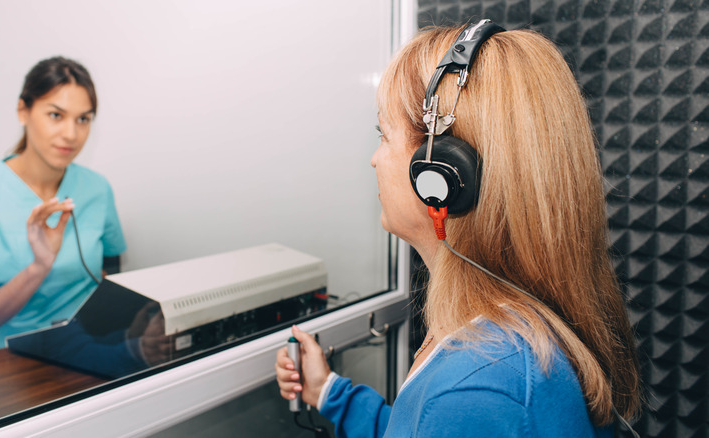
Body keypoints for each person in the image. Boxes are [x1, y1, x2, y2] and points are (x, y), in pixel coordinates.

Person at [275, 21, 641, 437]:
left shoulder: (478, 391)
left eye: (383, 134)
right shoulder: (497, 343)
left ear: (442, 171)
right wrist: (328, 392)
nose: (375, 160)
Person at [0, 56, 127, 362]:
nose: (71, 134)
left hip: (71, 356)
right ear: (23, 111)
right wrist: (39, 267)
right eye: (55, 115)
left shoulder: (96, 189)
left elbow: (113, 267)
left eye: (83, 119)